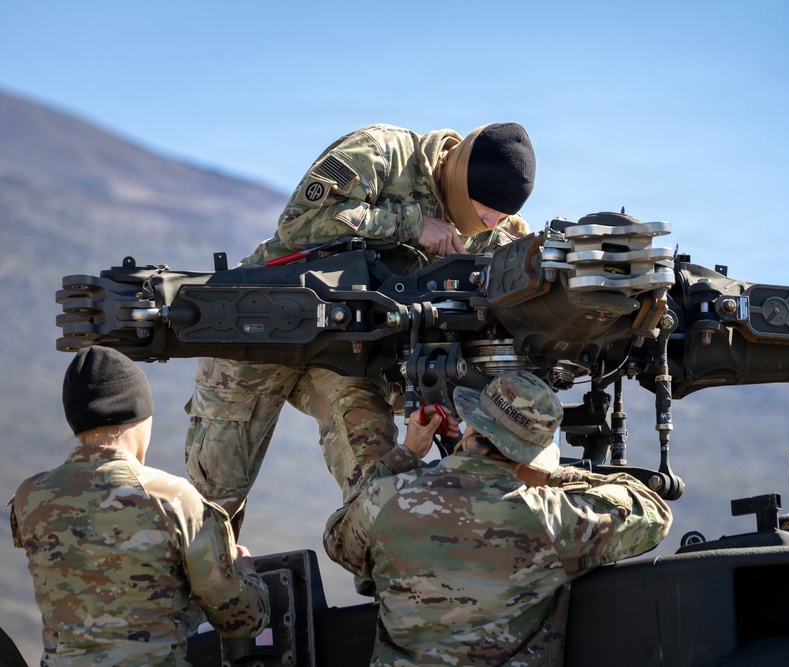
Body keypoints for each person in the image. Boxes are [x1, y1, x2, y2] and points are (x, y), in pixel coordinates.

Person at [184, 122, 536, 533]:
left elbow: (515, 277)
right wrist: (412, 225)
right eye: (485, 212)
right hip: (265, 328)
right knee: (215, 502)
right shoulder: (382, 154)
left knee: (379, 487)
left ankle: (389, 583)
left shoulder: (496, 232)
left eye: (502, 217)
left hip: (346, 357)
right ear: (460, 181)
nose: (491, 225)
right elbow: (298, 224)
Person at [324, 370, 672, 666]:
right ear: (531, 455)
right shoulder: (547, 517)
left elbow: (339, 540)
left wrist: (405, 455)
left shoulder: (388, 497)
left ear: (471, 424)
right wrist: (553, 477)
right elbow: (652, 512)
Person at [9, 347, 270, 666]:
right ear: (141, 415)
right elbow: (240, 621)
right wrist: (247, 573)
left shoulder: (29, 497)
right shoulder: (175, 498)